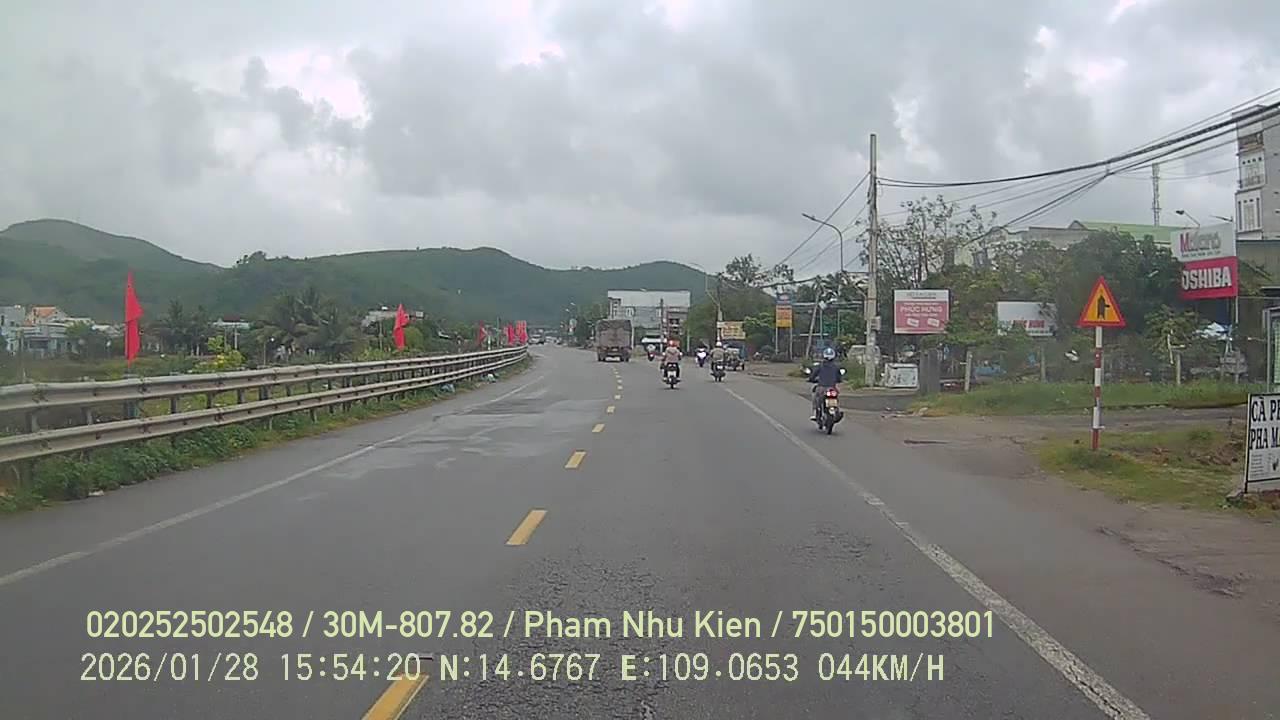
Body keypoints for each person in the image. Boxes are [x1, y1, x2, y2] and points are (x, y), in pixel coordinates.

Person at [808, 347, 841, 420]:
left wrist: (811, 379)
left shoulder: (820, 366)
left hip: (822, 387)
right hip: (832, 387)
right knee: (836, 396)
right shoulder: (836, 367)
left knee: (816, 397)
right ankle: (837, 410)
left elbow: (813, 375)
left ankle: (815, 413)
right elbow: (839, 378)